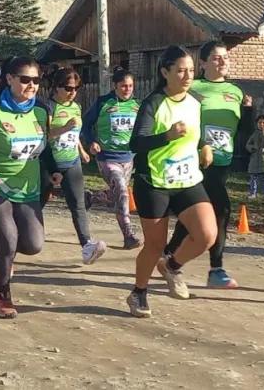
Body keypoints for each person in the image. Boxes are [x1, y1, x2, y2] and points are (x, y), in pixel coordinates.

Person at [0, 56, 61, 318]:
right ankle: (2, 295)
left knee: (33, 245)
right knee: (10, 239)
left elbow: (44, 147)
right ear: (10, 79)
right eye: (25, 79)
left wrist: (54, 171)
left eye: (36, 80)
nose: (31, 85)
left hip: (28, 188)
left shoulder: (42, 110)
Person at [127, 45, 217, 314]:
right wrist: (166, 136)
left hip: (187, 179)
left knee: (206, 235)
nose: (188, 76)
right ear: (165, 72)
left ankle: (172, 266)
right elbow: (136, 143)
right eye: (181, 71)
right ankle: (138, 293)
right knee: (154, 245)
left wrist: (205, 145)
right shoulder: (153, 103)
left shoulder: (196, 100)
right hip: (154, 182)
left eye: (191, 70)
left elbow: (196, 131)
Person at [163, 41, 252, 289]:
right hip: (195, 158)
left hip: (223, 161)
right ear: (202, 63)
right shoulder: (193, 88)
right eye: (216, 58)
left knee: (195, 214)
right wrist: (203, 144)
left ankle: (168, 254)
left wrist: (249, 111)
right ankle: (216, 269)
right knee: (221, 209)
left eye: (225, 58)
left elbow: (244, 131)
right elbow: (179, 118)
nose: (222, 62)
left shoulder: (235, 92)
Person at [40, 67, 106, 264]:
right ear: (57, 87)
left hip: (72, 162)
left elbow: (75, 133)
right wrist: (64, 128)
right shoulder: (47, 107)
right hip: (49, 163)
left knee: (78, 205)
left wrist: (81, 150)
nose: (73, 92)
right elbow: (44, 135)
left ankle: (87, 246)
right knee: (38, 204)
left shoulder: (75, 107)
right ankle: (17, 236)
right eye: (69, 88)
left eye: (77, 88)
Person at [81, 67, 142, 249]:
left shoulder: (137, 106)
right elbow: (86, 125)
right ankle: (129, 236)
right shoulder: (102, 103)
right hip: (107, 157)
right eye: (124, 86)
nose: (128, 90)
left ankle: (92, 198)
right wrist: (91, 142)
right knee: (123, 193)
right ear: (114, 86)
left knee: (119, 195)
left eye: (130, 86)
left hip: (128, 158)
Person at [246, 115, 264, 201]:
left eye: (263, 122)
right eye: (259, 123)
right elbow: (248, 144)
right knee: (253, 178)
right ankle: (252, 193)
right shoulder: (255, 133)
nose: (261, 124)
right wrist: (252, 147)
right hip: (255, 158)